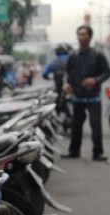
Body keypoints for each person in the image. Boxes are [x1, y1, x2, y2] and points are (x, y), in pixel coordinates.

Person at [61, 25, 110, 161]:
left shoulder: (98, 55)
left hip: (93, 96)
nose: (81, 37)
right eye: (79, 34)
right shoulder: (73, 56)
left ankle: (98, 152)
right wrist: (67, 84)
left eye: (84, 35)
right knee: (76, 125)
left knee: (96, 125)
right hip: (78, 96)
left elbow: (107, 72)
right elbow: (70, 74)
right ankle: (74, 150)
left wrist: (95, 80)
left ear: (89, 37)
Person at [42, 44, 70, 115]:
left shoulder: (53, 62)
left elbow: (44, 74)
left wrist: (49, 78)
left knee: (57, 104)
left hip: (59, 89)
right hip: (71, 89)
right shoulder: (71, 59)